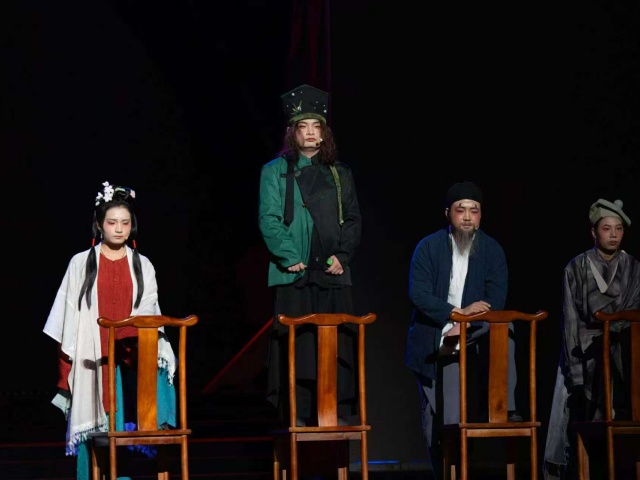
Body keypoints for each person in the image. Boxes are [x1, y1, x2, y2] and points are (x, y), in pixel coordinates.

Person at [43, 181, 177, 480]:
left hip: (131, 350)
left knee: (131, 411)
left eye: (125, 223)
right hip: (94, 351)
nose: (119, 229)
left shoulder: (143, 264)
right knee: (95, 426)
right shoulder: (81, 262)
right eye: (112, 222)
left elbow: (149, 306)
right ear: (99, 225)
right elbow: (68, 312)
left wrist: (127, 333)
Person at [258, 84, 362, 427]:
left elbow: (353, 219)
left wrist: (343, 256)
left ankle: (335, 411)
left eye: (317, 126)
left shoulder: (340, 173)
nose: (311, 133)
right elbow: (269, 217)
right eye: (303, 127)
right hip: (295, 272)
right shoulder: (274, 171)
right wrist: (288, 255)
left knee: (337, 344)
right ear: (293, 132)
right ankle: (299, 413)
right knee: (299, 347)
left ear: (325, 132)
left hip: (333, 271)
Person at [405, 181, 520, 479]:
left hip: (473, 335)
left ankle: (506, 407)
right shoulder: (429, 247)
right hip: (434, 336)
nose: (467, 217)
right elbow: (419, 294)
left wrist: (465, 323)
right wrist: (455, 315)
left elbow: (495, 300)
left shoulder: (492, 250)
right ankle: (445, 473)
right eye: (461, 210)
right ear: (448, 213)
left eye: (474, 210)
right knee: (436, 422)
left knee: (505, 326)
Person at [543, 198, 640, 480]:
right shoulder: (576, 267)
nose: (613, 235)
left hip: (623, 346)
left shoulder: (633, 266)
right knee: (572, 399)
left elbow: (633, 310)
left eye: (618, 229)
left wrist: (614, 328)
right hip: (582, 347)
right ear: (594, 232)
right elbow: (570, 318)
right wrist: (575, 367)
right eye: (607, 228)